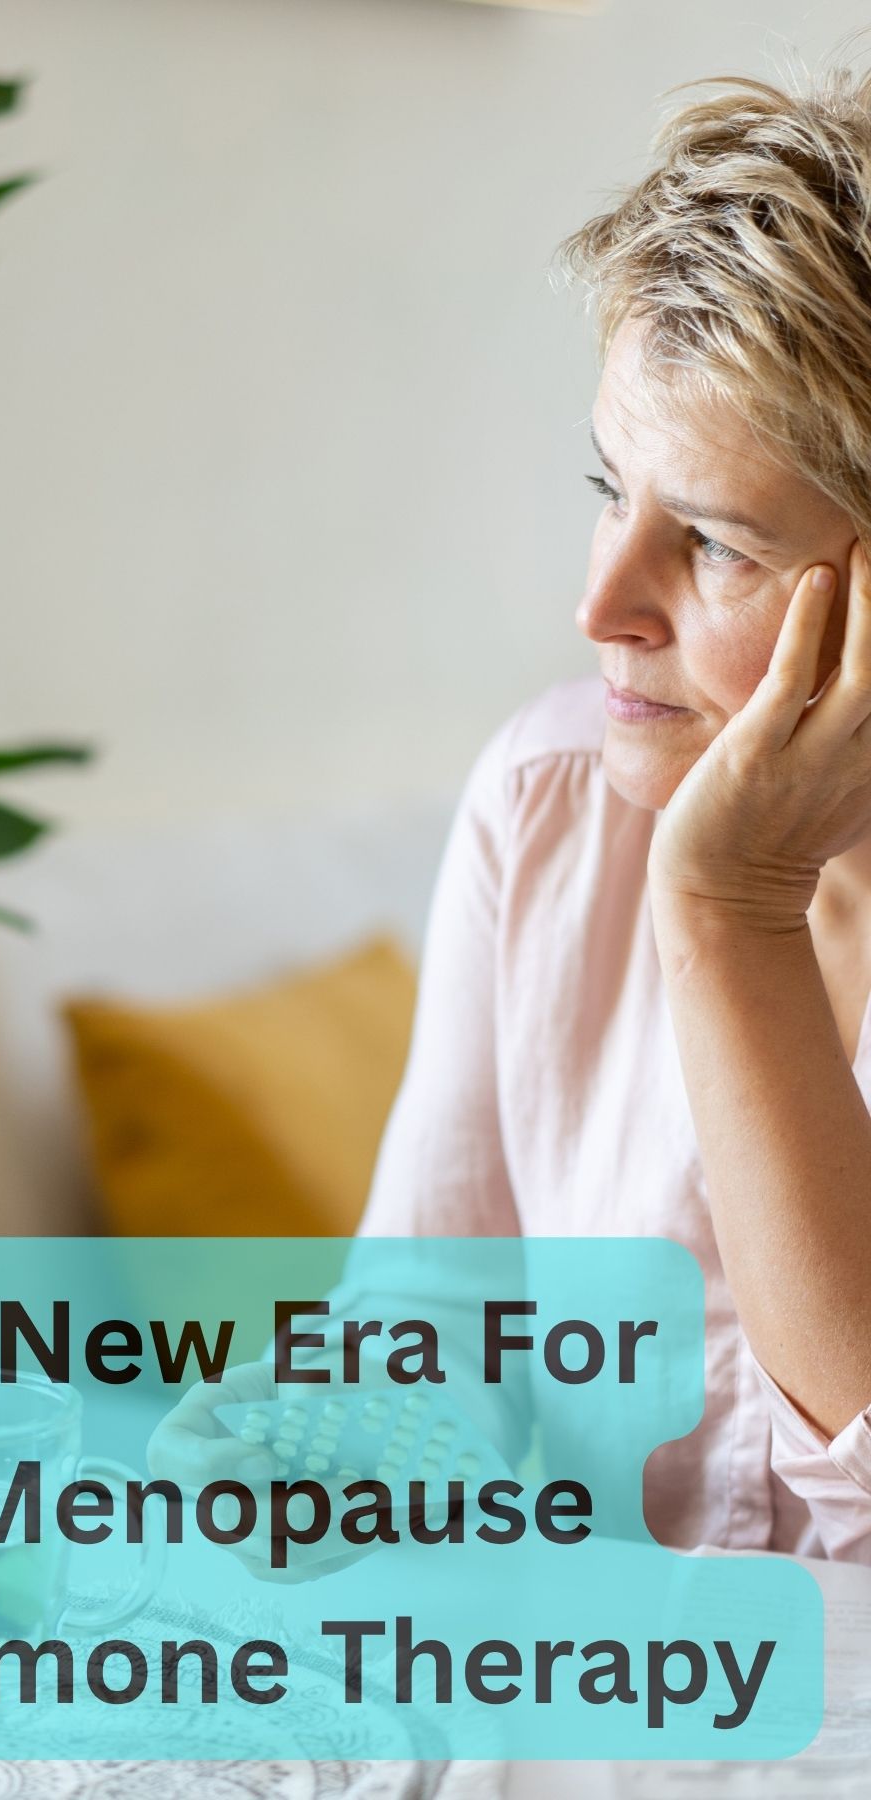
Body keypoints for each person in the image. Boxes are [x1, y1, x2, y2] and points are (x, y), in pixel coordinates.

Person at [151, 58, 871, 1566]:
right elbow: (435, 1325)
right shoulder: (548, 809)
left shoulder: (679, 861)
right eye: (610, 489)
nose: (601, 602)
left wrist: (729, 917)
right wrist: (332, 1445)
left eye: (717, 544)